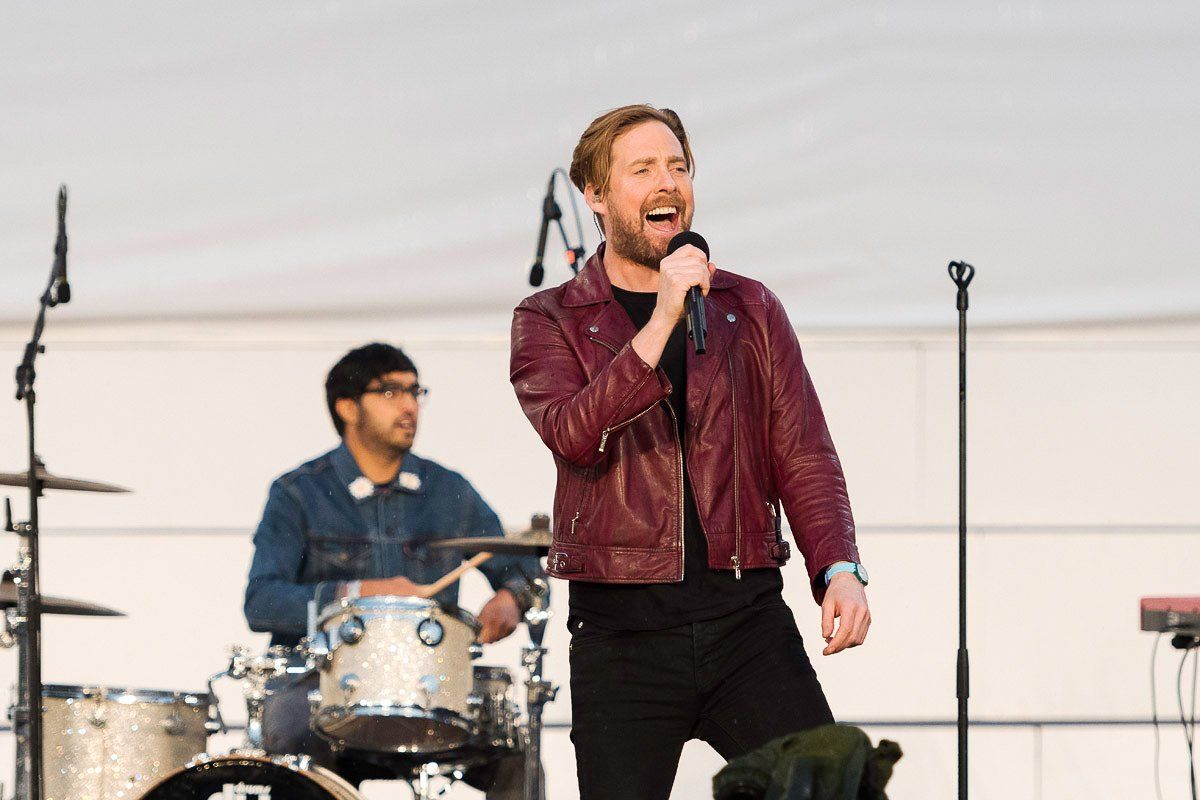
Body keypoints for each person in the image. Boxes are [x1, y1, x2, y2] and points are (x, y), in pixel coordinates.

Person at [509, 104, 872, 800]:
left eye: (678, 166)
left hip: (747, 622)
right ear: (595, 194)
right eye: (643, 169)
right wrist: (663, 319)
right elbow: (574, 433)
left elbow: (803, 451)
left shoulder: (748, 307)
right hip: (622, 636)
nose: (667, 182)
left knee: (829, 788)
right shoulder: (550, 319)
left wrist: (839, 568)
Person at [244, 342, 544, 793]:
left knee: (517, 755)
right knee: (290, 737)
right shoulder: (297, 493)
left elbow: (524, 569)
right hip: (322, 688)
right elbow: (262, 602)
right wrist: (358, 592)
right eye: (390, 392)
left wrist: (511, 598)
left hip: (431, 687)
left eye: (414, 392)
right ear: (347, 407)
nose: (409, 406)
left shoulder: (448, 491)